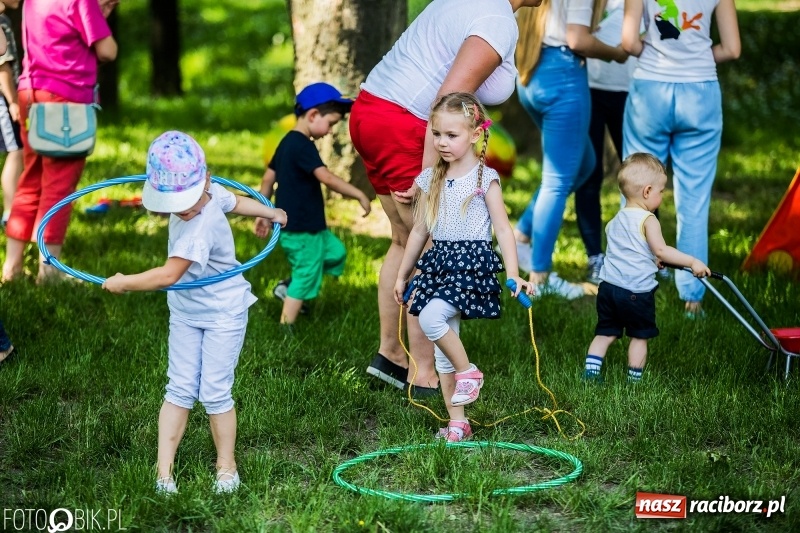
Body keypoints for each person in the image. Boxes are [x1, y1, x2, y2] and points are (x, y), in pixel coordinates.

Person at [350, 0, 544, 398]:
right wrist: (429, 178)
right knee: (432, 251)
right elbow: (446, 102)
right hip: (406, 122)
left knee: (404, 241)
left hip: (372, 111)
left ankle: (391, 356)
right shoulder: (495, 21)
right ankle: (423, 377)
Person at [102, 131, 288, 494]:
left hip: (223, 313)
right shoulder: (206, 191)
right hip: (186, 311)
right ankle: (164, 473)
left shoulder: (199, 226)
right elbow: (233, 201)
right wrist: (269, 211)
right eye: (174, 202)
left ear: (205, 179)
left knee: (215, 391)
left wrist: (125, 282)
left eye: (185, 201)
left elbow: (169, 275)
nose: (183, 209)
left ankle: (226, 467)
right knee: (179, 388)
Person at [394, 93, 533, 442]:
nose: (442, 142)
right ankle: (458, 423)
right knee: (442, 352)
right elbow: (420, 231)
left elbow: (503, 229)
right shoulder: (430, 179)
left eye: (451, 135)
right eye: (437, 133)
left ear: (474, 134)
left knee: (430, 319)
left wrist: (514, 274)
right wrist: (403, 273)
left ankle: (469, 371)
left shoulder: (485, 178)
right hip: (439, 264)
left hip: (470, 265)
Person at [622, 0, 740, 318]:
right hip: (701, 92)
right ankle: (692, 299)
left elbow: (628, 42)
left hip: (650, 90)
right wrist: (699, 58)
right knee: (694, 199)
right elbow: (732, 48)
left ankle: (630, 286)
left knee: (636, 193)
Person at [512, 0, 629, 299]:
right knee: (558, 182)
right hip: (562, 76)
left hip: (534, 72)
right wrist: (615, 52)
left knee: (586, 163)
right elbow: (577, 39)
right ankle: (540, 276)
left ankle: (520, 236)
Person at [2, 0, 118, 283]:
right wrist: (101, 15)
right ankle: (49, 271)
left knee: (30, 181)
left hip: (32, 93)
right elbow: (108, 50)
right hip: (66, 101)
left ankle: (12, 267)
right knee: (59, 188)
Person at [583, 153, 710, 383]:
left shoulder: (616, 220)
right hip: (635, 293)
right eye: (661, 191)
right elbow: (661, 250)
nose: (662, 195)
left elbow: (627, 254)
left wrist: (650, 261)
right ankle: (634, 380)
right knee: (639, 337)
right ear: (647, 191)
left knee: (605, 333)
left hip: (608, 290)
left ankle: (591, 373)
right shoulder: (648, 220)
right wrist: (692, 261)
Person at [254, 82, 371, 326]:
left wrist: (263, 213)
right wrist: (359, 194)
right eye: (330, 123)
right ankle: (286, 326)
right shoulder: (301, 145)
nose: (329, 131)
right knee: (306, 273)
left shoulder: (287, 142)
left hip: (312, 228)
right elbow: (326, 178)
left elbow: (267, 179)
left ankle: (290, 286)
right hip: (300, 229)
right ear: (313, 115)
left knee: (335, 253)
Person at [576, 0, 637, 284]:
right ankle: (595, 257)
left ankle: (645, 252)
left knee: (639, 172)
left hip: (634, 88)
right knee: (590, 173)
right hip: (590, 88)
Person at [0, 0, 22, 227]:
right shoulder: (1, 22)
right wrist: (13, 101)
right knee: (15, 150)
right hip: (3, 99)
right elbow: (3, 67)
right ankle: (9, 212)